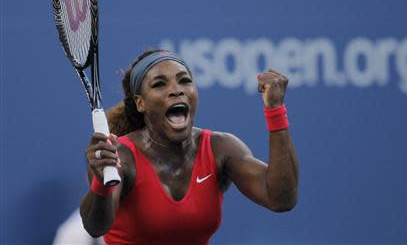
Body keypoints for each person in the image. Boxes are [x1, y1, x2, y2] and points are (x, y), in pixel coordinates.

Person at [80, 49, 299, 244]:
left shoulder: (221, 148)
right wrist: (101, 183)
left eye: (184, 81)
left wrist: (275, 111)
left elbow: (280, 199)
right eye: (159, 84)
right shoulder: (120, 156)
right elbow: (96, 226)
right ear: (140, 103)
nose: (176, 90)